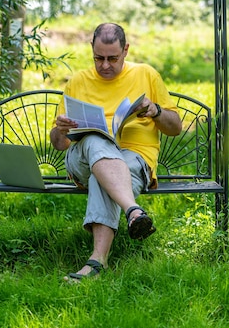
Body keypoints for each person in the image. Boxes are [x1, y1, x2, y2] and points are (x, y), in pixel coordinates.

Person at [50, 22, 182, 281]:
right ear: (91, 50)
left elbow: (175, 128)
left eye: (113, 58)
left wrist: (154, 110)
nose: (105, 65)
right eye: (98, 58)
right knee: (95, 142)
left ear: (126, 50)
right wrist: (61, 130)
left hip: (134, 158)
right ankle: (133, 209)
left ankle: (96, 263)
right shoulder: (78, 81)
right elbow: (59, 144)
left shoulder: (146, 75)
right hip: (82, 160)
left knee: (106, 174)